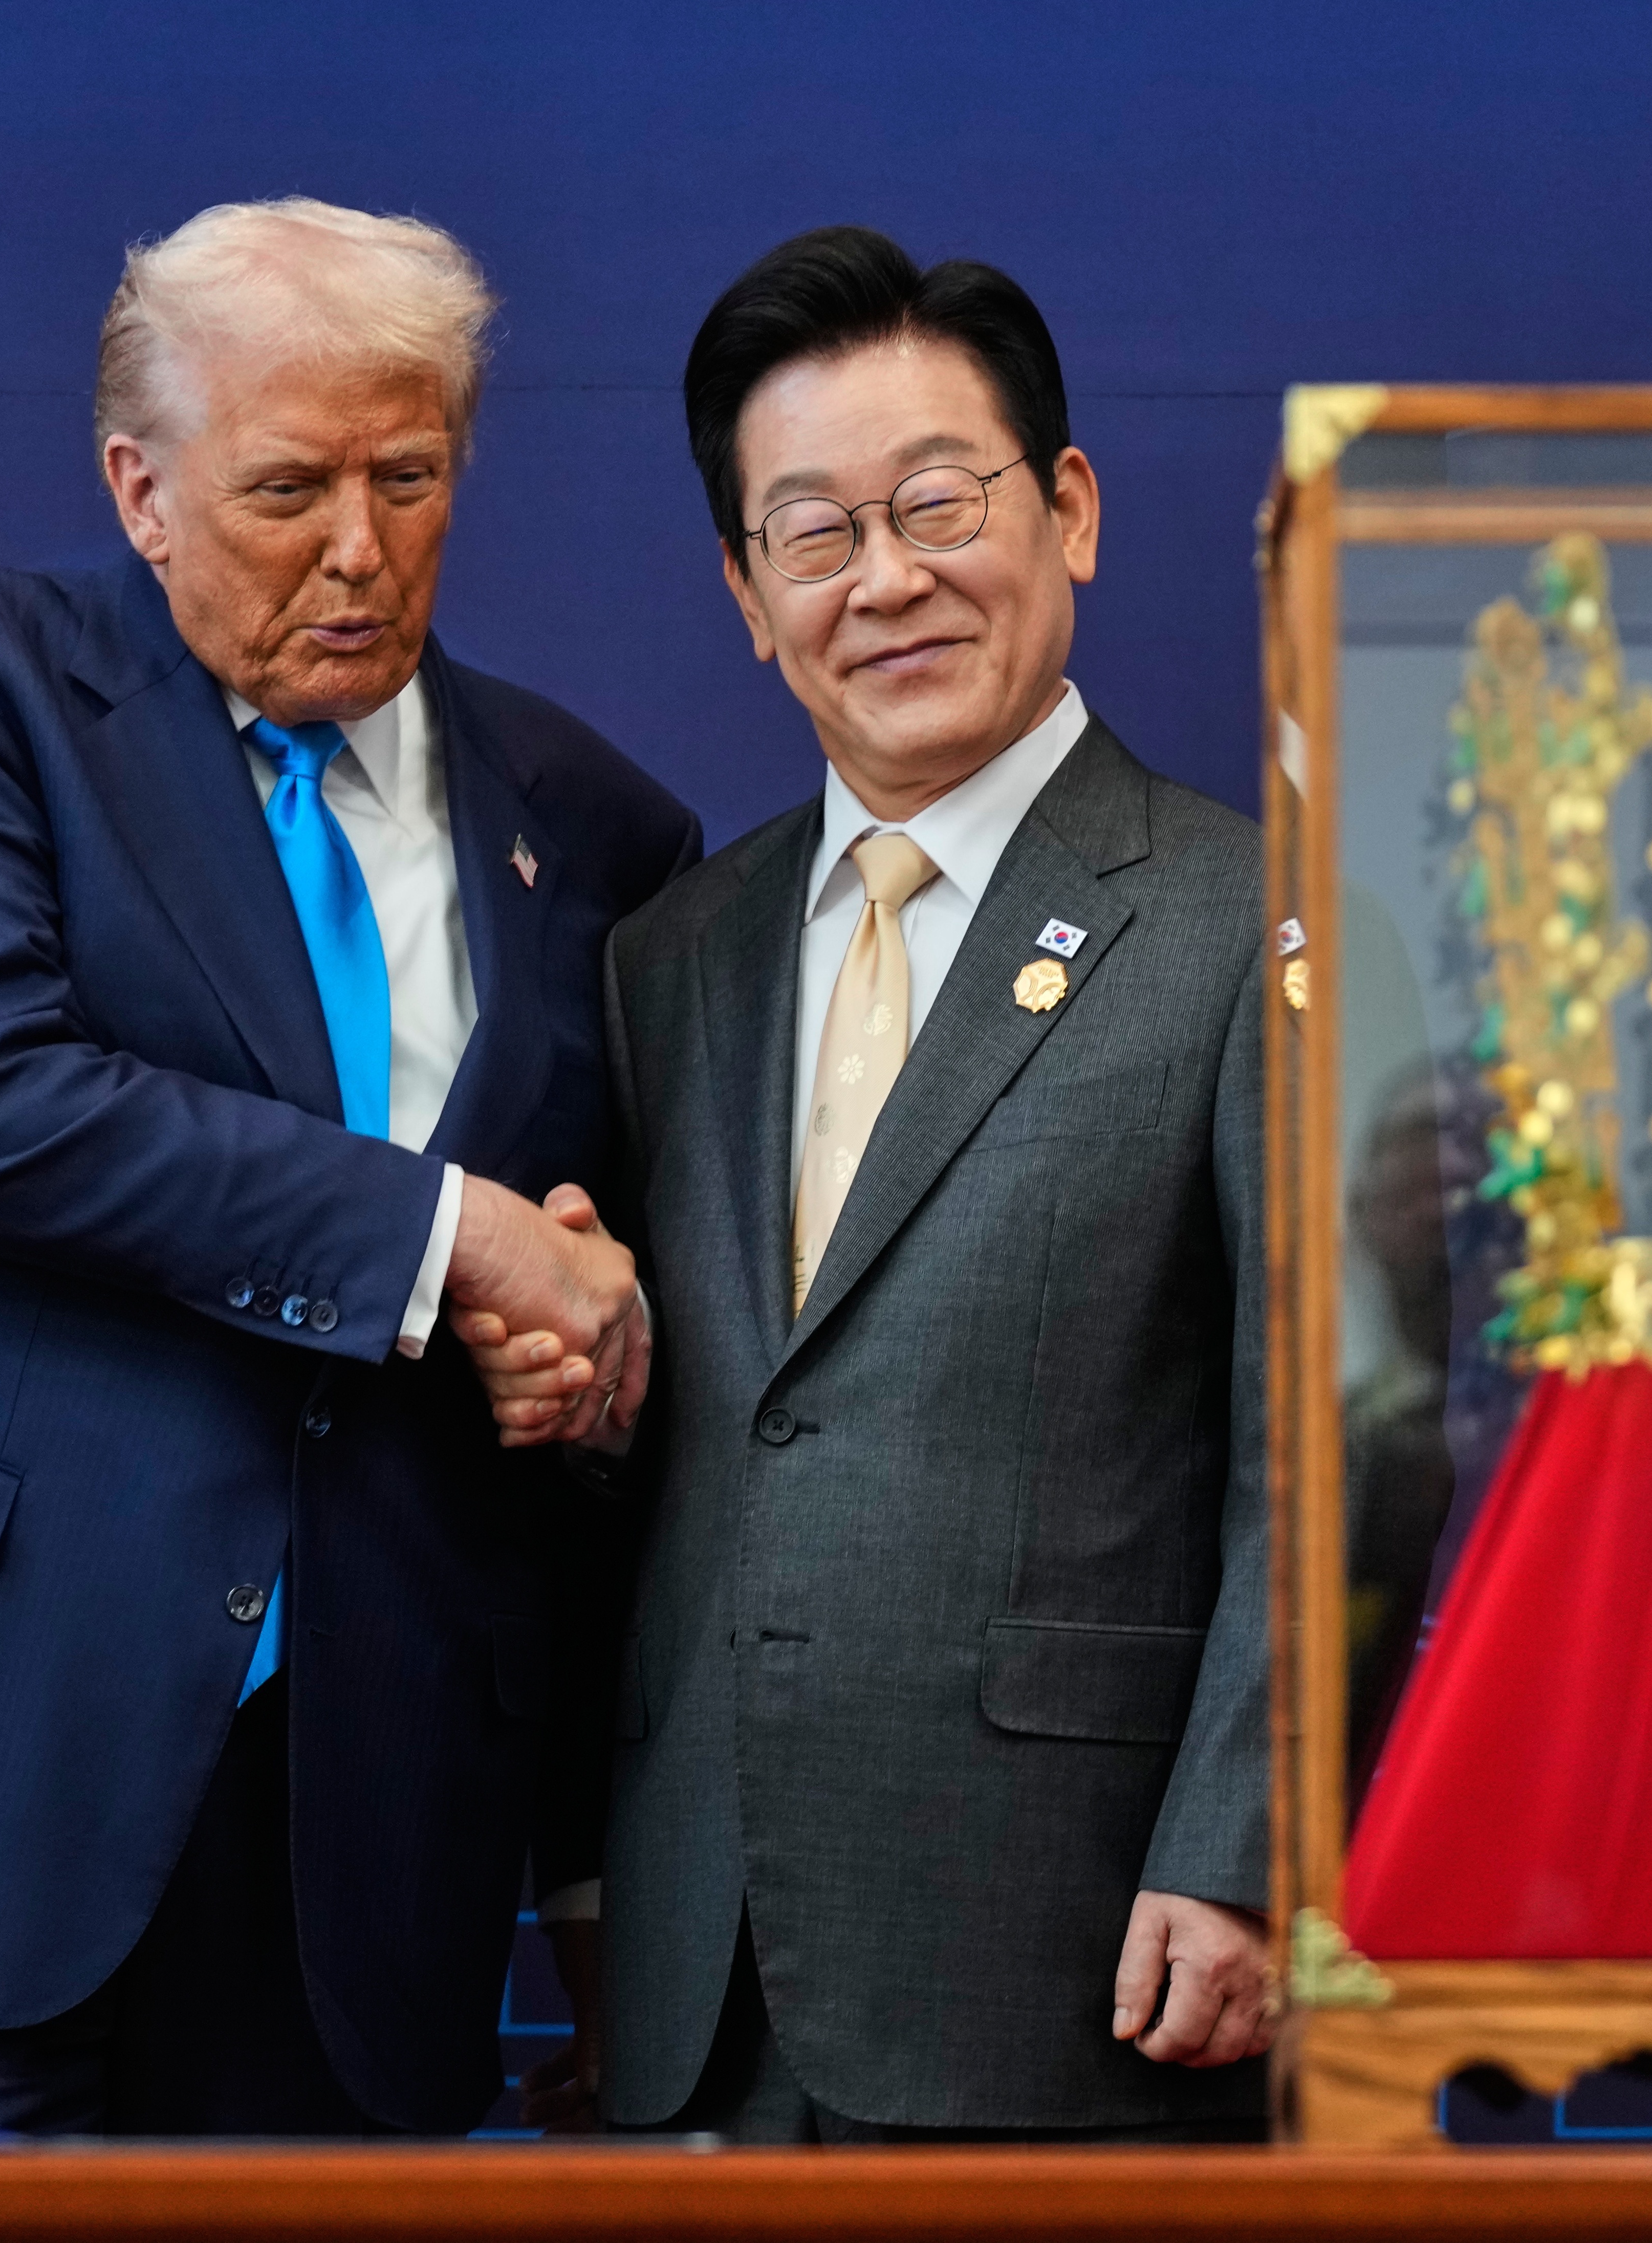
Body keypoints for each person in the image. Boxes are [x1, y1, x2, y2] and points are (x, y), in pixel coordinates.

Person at [0, 198, 697, 2135]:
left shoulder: (599, 826)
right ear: (141, 488)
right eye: (287, 488)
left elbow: (590, 1311)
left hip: (364, 1871)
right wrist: (457, 1243)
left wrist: (579, 1357)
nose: (360, 548)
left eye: (411, 476)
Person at [470, 226, 1270, 2141]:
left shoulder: (1265, 922)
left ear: (1067, 508)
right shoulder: (675, 952)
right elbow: (680, 1448)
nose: (887, 579)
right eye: (814, 535)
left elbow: (1333, 1451)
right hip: (696, 1972)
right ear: (748, 596)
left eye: (937, 503)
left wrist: (1249, 1845)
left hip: (1086, 1959)